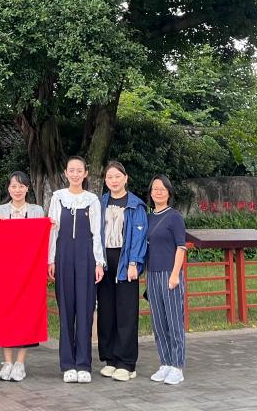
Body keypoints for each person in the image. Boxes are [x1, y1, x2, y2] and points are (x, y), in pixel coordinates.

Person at [48, 156, 104, 384]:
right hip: (63, 256)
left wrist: (99, 262)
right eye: (71, 170)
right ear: (65, 173)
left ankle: (83, 363)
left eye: (79, 170)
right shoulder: (58, 198)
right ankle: (67, 364)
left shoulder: (92, 200)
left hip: (86, 257)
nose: (75, 174)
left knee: (85, 309)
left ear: (85, 173)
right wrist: (51, 260)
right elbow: (52, 231)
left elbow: (97, 233)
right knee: (66, 310)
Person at [0, 170, 45, 382]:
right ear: (8, 188)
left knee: (26, 315)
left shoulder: (37, 211)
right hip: (4, 271)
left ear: (27, 189)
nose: (17, 190)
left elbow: (42, 238)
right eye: (13, 186)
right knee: (4, 314)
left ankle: (20, 363)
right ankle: (7, 362)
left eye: (21, 186)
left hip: (30, 271)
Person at [97, 161, 148, 382]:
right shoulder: (100, 202)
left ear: (125, 178)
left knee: (126, 313)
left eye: (118, 176)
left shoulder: (136, 205)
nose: (114, 181)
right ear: (105, 180)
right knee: (106, 312)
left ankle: (126, 363)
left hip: (126, 263)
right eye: (110, 177)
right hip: (104, 263)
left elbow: (139, 237)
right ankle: (110, 359)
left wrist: (134, 262)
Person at [146, 174, 187, 386]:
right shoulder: (148, 217)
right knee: (158, 322)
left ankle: (177, 367)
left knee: (174, 322)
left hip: (170, 274)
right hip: (152, 274)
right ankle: (165, 363)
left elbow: (181, 247)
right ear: (150, 193)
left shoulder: (174, 217)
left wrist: (175, 274)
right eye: (155, 189)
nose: (158, 192)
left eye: (162, 189)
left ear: (169, 193)